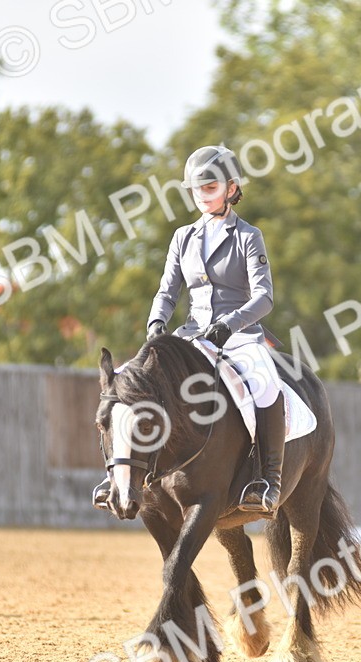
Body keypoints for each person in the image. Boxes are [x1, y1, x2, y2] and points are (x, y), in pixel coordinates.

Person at [145, 144, 285, 514]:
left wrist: (230, 324)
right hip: (192, 334)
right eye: (196, 189)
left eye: (210, 188)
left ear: (231, 188)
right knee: (136, 377)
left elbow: (264, 297)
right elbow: (167, 290)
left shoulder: (248, 236)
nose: (202, 196)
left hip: (238, 334)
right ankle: (127, 476)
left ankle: (268, 479)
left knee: (265, 382)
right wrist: (157, 322)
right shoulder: (183, 237)